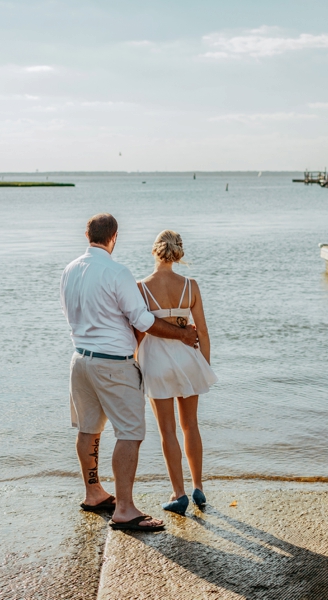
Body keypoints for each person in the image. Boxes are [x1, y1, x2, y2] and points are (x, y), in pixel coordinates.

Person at [61, 214, 198, 532]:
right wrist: (183, 334)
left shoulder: (69, 270)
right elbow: (143, 321)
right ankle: (124, 509)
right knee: (130, 433)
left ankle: (93, 493)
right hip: (113, 364)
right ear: (115, 237)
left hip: (80, 360)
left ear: (86, 234)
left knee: (88, 429)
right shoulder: (117, 272)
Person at [135, 230, 217, 516]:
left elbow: (138, 334)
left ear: (154, 251)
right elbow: (203, 332)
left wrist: (135, 365)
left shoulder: (141, 287)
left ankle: (178, 493)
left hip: (156, 362)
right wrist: (202, 366)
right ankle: (198, 488)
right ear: (178, 252)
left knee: (167, 430)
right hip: (187, 361)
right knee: (190, 425)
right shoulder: (190, 286)